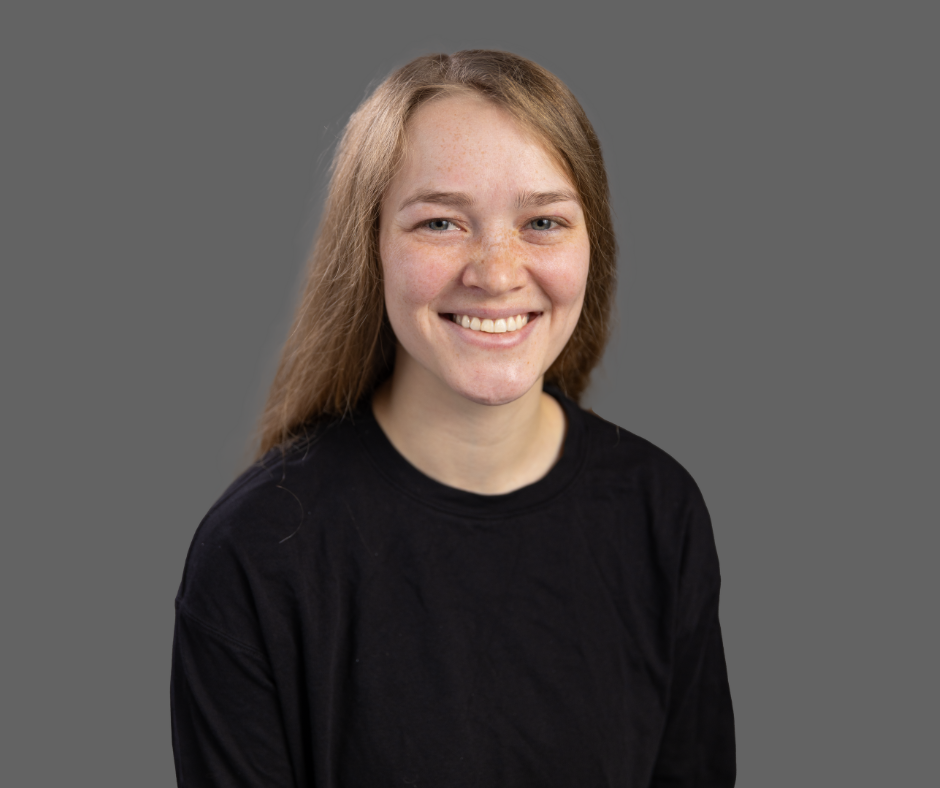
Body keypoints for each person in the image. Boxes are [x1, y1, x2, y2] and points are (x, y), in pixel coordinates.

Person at [170, 50, 735, 787]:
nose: (496, 273)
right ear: (370, 247)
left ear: (592, 246)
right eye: (440, 222)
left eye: (543, 221)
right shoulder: (255, 552)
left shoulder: (661, 512)